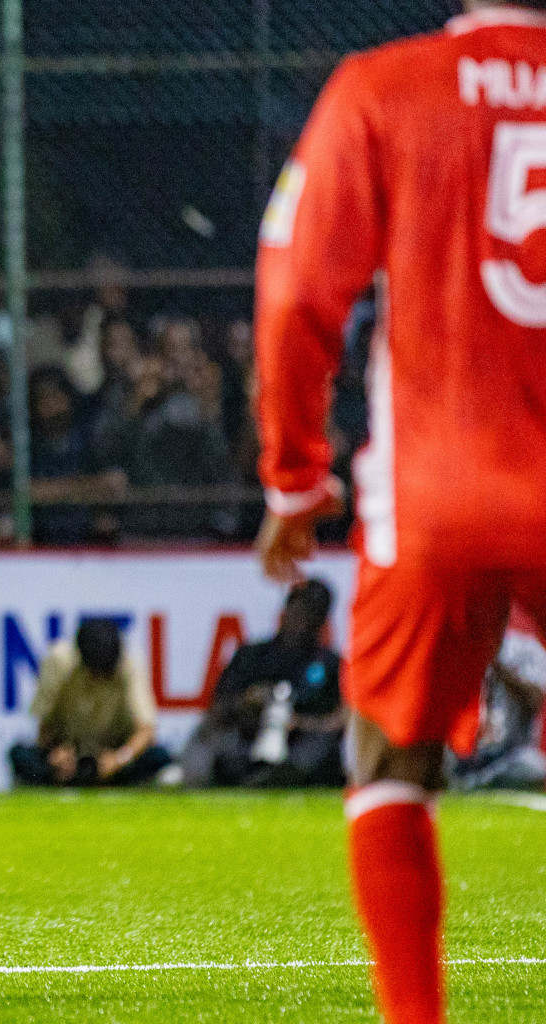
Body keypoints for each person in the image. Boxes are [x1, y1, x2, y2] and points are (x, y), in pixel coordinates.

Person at [254, 4, 546, 1022]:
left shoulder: (385, 86)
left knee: (389, 761)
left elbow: (296, 295)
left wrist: (295, 479)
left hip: (437, 489)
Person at [179, 579, 346, 788]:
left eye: (312, 612)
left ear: (322, 620)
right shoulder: (252, 656)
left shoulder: (331, 664)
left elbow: (344, 718)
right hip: (248, 738)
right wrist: (249, 702)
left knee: (315, 750)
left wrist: (299, 722)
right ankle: (198, 780)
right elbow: (218, 707)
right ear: (285, 610)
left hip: (302, 744)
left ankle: (272, 778)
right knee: (209, 737)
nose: (303, 619)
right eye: (298, 609)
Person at [10, 619, 171, 787]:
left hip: (115, 755)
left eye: (106, 672)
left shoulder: (130, 664)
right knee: (20, 755)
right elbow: (44, 722)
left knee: (158, 757)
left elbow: (146, 729)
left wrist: (119, 758)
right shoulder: (59, 661)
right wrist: (56, 752)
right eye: (95, 673)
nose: (100, 679)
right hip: (69, 754)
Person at [451, 606, 546, 792]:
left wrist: (500, 666)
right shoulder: (468, 648)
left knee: (532, 767)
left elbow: (536, 695)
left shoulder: (520, 648)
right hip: (473, 752)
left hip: (513, 754)